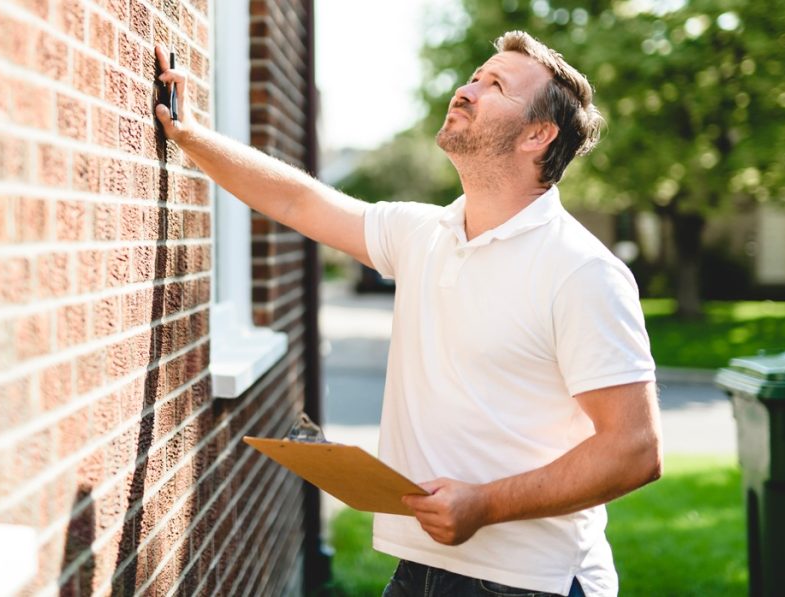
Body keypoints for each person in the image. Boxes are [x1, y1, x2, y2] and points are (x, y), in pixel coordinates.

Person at [153, 30, 662, 597]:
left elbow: (633, 450)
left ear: (539, 134)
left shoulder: (581, 271)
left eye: (495, 85)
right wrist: (190, 135)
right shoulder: (423, 232)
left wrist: (485, 504)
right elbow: (298, 201)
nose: (466, 90)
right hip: (419, 568)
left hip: (530, 581)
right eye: (473, 76)